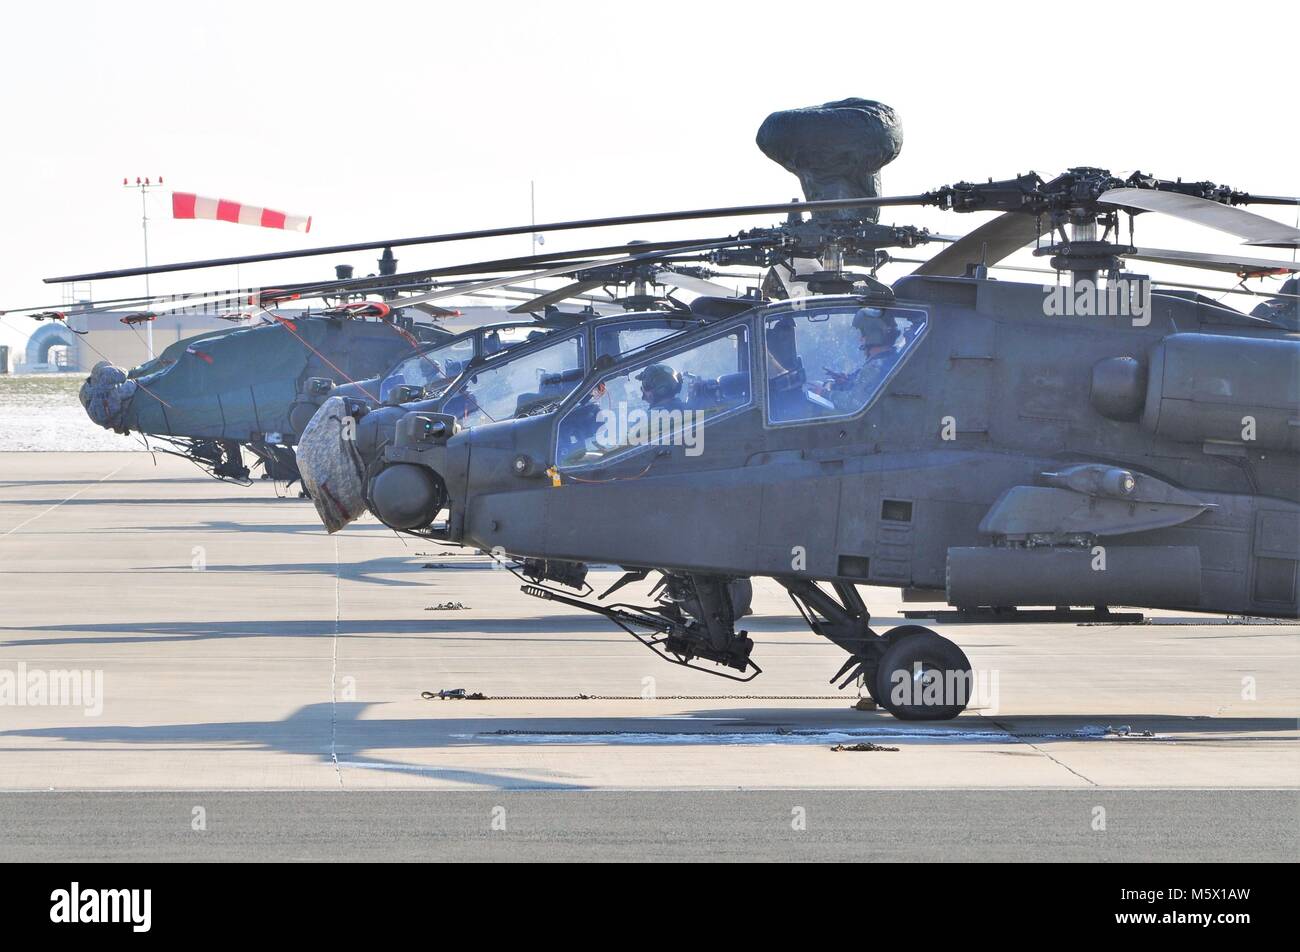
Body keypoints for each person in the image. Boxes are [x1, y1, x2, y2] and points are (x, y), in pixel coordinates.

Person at [820, 308, 899, 412]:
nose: (860, 339)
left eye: (863, 334)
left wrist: (825, 393)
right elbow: (866, 388)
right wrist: (848, 381)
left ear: (875, 335)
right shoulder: (892, 359)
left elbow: (853, 403)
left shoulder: (876, 366)